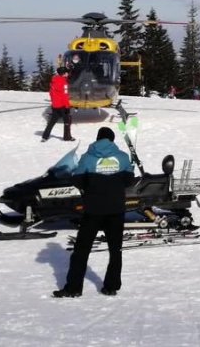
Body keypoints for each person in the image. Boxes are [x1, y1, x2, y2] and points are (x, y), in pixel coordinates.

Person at [53, 127, 137, 298]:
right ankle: (111, 286)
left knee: (82, 250)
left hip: (93, 210)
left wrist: (92, 187)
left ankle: (73, 288)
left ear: (98, 139)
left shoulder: (88, 157)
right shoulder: (122, 157)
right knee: (115, 250)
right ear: (112, 140)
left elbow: (77, 179)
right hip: (115, 210)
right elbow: (129, 180)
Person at [42, 66, 73, 142]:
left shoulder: (54, 80)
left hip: (55, 105)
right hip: (62, 105)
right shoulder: (64, 82)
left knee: (52, 121)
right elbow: (65, 96)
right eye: (67, 72)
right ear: (64, 73)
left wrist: (54, 102)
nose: (68, 74)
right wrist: (67, 106)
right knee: (67, 121)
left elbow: (51, 93)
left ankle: (45, 136)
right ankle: (67, 137)